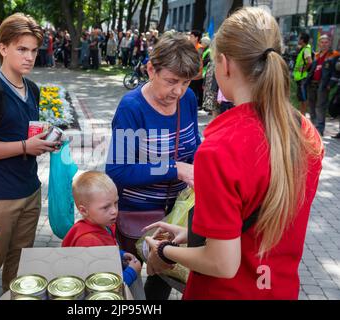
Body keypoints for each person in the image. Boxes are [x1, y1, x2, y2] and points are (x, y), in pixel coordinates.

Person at [143, 7, 324, 300]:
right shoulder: (306, 133)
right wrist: (193, 235)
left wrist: (164, 250)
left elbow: (222, 263)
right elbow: (261, 222)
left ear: (224, 64)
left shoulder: (220, 148)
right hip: (279, 288)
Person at [0, 13, 60, 292]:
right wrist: (24, 147)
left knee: (20, 268)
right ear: (3, 48)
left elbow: (20, 133)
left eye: (33, 50)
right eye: (22, 49)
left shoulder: (31, 88)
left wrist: (41, 142)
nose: (29, 57)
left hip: (30, 191)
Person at [106, 32, 201, 300]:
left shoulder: (188, 99)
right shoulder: (132, 107)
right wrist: (175, 169)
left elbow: (194, 145)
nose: (178, 91)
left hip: (178, 215)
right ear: (151, 69)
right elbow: (118, 171)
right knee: (131, 288)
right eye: (171, 81)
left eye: (186, 82)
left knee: (162, 280)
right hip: (140, 219)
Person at [62, 171, 142, 288]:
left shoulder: (103, 224)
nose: (114, 210)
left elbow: (104, 252)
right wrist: (131, 272)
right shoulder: (89, 242)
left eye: (116, 203)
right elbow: (103, 287)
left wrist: (119, 255)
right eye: (106, 207)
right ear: (84, 210)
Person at [306, 35, 340, 136]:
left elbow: (336, 72)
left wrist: (331, 84)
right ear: (319, 44)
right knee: (311, 106)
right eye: (322, 42)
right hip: (312, 84)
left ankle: (319, 129)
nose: (324, 44)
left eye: (326, 42)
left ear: (329, 43)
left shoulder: (335, 55)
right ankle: (313, 128)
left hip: (323, 85)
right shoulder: (316, 55)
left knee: (320, 107)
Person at [293, 32, 313, 117]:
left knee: (304, 98)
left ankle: (303, 116)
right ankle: (302, 115)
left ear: (302, 40)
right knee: (301, 98)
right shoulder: (303, 48)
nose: (298, 40)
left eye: (299, 38)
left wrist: (303, 70)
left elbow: (309, 62)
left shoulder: (306, 50)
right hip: (300, 78)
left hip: (303, 78)